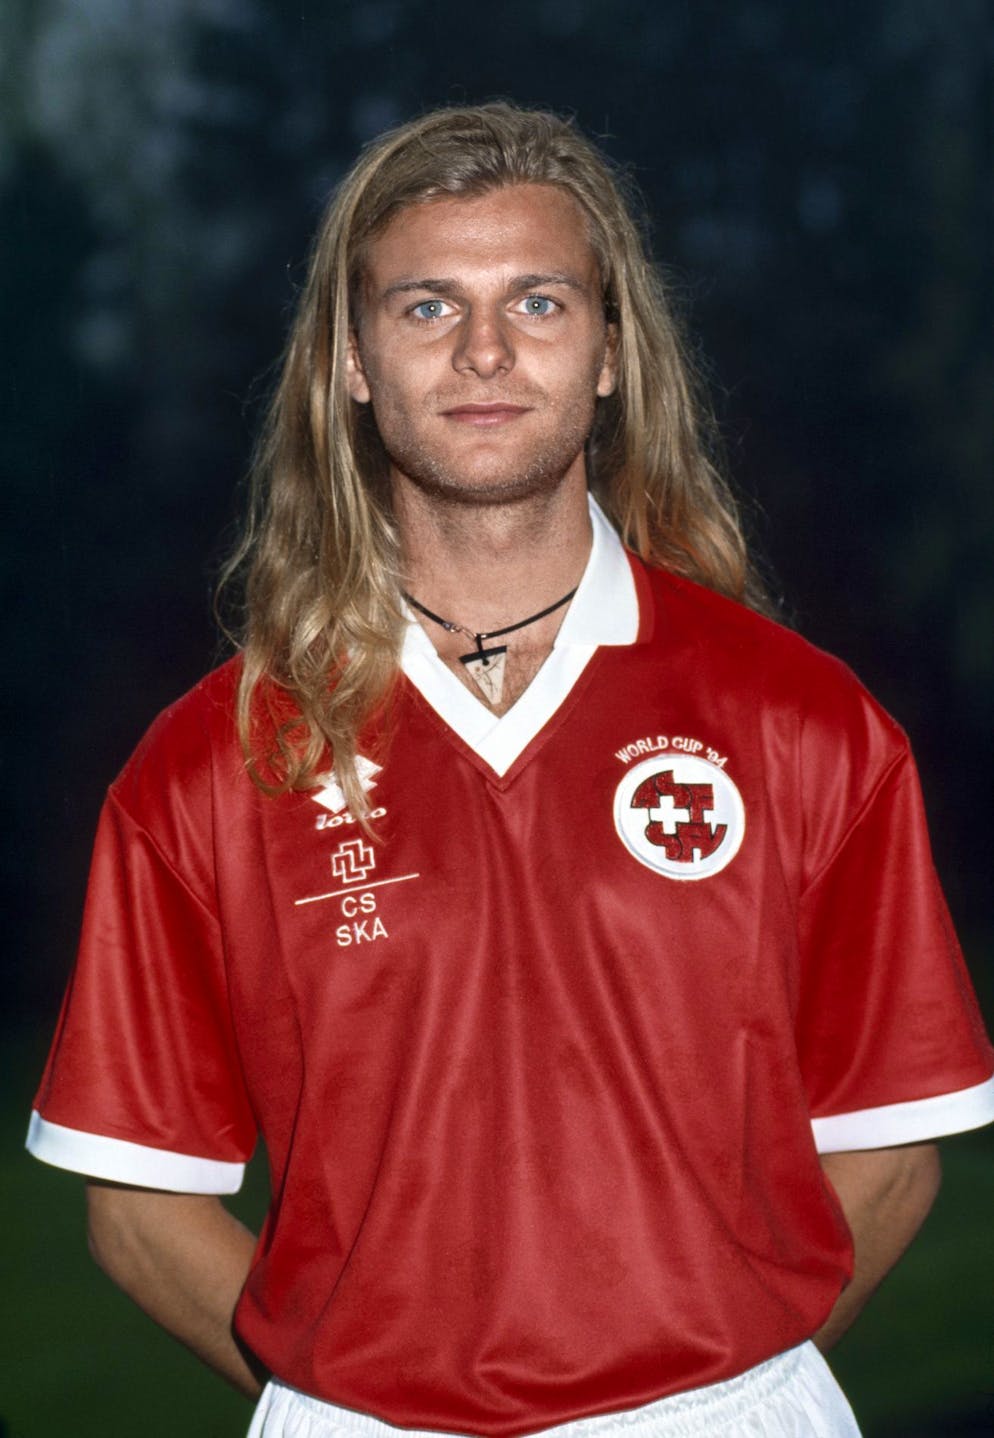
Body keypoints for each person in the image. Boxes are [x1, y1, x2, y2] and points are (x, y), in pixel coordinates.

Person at [27, 103, 994, 1438]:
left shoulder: (800, 719)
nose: (484, 350)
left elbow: (890, 1139)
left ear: (607, 352)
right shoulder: (210, 761)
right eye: (425, 307)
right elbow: (137, 1203)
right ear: (352, 362)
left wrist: (712, 1384)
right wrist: (350, 1404)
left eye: (537, 301)